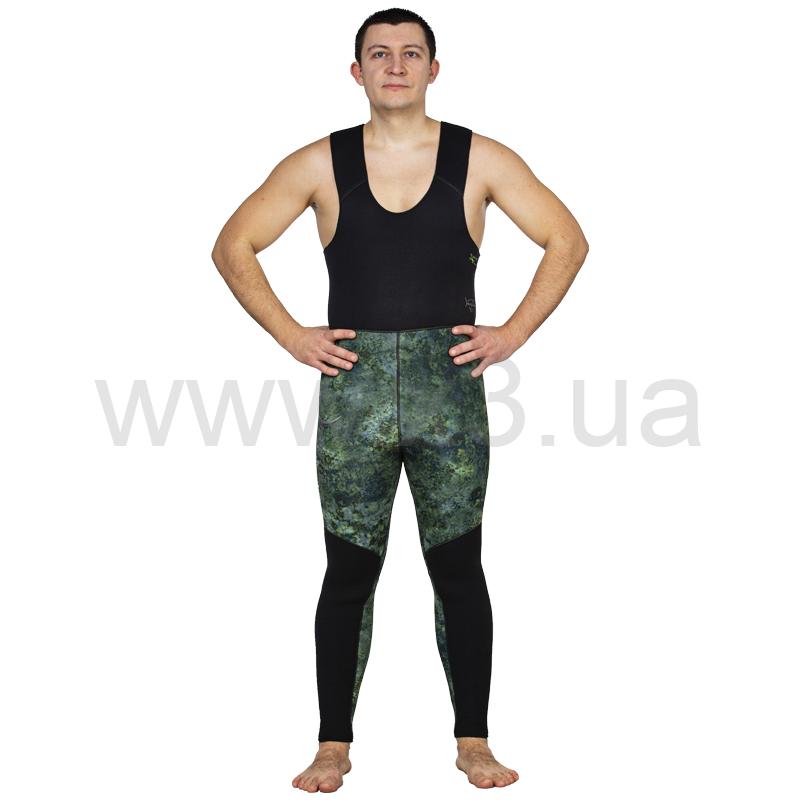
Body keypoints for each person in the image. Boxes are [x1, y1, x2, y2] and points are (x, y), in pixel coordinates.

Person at [211, 7, 589, 792]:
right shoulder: (319, 163)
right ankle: (332, 746)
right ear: (356, 72)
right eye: (379, 54)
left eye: (411, 53)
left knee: (459, 570)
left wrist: (513, 332)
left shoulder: (481, 159)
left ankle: (474, 741)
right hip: (352, 403)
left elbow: (567, 238)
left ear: (433, 70)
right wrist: (291, 335)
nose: (395, 65)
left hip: (448, 396)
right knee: (348, 572)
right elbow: (232, 244)